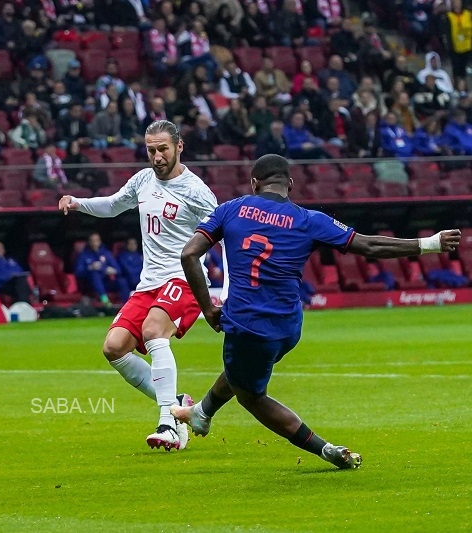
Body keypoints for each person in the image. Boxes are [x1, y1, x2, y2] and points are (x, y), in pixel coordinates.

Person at [174, 153, 462, 469]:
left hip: (247, 325)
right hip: (289, 327)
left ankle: (326, 450)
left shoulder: (230, 209)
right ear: (291, 185)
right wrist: (429, 243)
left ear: (254, 183)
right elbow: (369, 247)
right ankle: (202, 412)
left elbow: (189, 255)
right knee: (246, 371)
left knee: (251, 395)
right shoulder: (309, 220)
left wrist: (209, 310)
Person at [58, 120, 219, 451]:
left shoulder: (197, 191)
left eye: (163, 149)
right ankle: (176, 400)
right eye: (151, 150)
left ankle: (168, 422)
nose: (157, 156)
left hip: (183, 278)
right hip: (149, 283)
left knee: (153, 330)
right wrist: (78, 202)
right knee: (114, 347)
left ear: (179, 147)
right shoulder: (143, 179)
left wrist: (228, 287)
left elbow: (225, 232)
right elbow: (115, 204)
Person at [74, 232, 131, 307]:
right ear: (89, 242)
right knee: (95, 274)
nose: (95, 243)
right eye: (92, 241)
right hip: (90, 285)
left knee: (122, 281)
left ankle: (126, 305)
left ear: (100, 241)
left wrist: (111, 270)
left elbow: (118, 270)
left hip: (105, 282)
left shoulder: (106, 253)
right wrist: (89, 267)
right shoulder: (84, 254)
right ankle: (106, 302)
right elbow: (78, 272)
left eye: (96, 240)